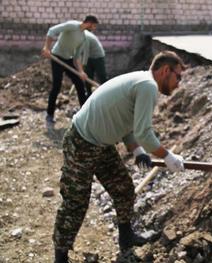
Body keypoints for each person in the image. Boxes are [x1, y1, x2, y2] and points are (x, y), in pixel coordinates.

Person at [53, 50, 186, 263]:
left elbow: (125, 121)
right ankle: (60, 256)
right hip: (81, 143)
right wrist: (168, 156)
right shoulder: (148, 86)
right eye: (178, 76)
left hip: (101, 144)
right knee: (75, 202)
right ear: (165, 71)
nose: (179, 82)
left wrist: (137, 151)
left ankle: (126, 237)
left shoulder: (141, 80)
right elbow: (144, 132)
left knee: (124, 189)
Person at [41, 15, 99, 126]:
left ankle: (84, 113)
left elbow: (76, 57)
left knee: (79, 84)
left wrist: (81, 72)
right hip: (56, 57)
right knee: (56, 86)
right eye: (94, 26)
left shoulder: (83, 38)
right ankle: (49, 115)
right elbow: (51, 31)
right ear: (89, 23)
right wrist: (47, 48)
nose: (94, 29)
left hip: (68, 60)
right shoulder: (72, 25)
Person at [82, 30, 107, 96]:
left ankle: (106, 92)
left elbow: (86, 52)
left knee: (101, 75)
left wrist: (83, 65)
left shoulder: (86, 36)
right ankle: (88, 93)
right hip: (90, 57)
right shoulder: (80, 35)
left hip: (98, 56)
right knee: (88, 76)